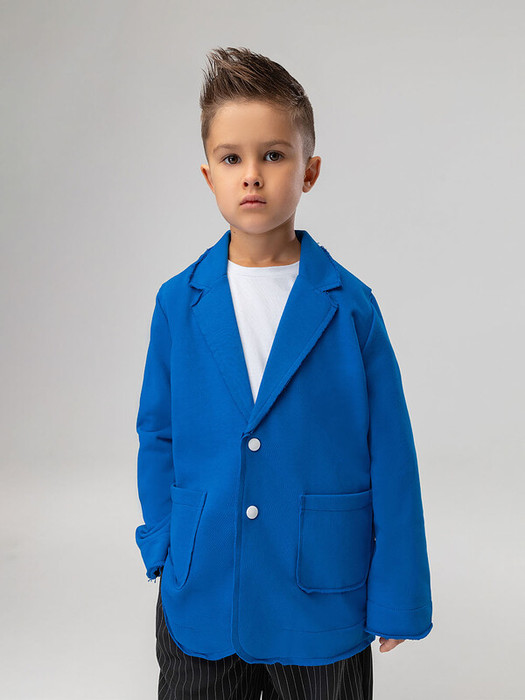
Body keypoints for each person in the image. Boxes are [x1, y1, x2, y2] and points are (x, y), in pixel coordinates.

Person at [135, 46, 433, 700]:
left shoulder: (350, 307)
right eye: (231, 159)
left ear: (309, 170)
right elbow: (157, 434)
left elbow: (391, 453)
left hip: (319, 596)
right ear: (207, 174)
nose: (251, 176)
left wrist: (397, 592)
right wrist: (162, 543)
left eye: (273, 155)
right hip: (203, 591)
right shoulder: (177, 303)